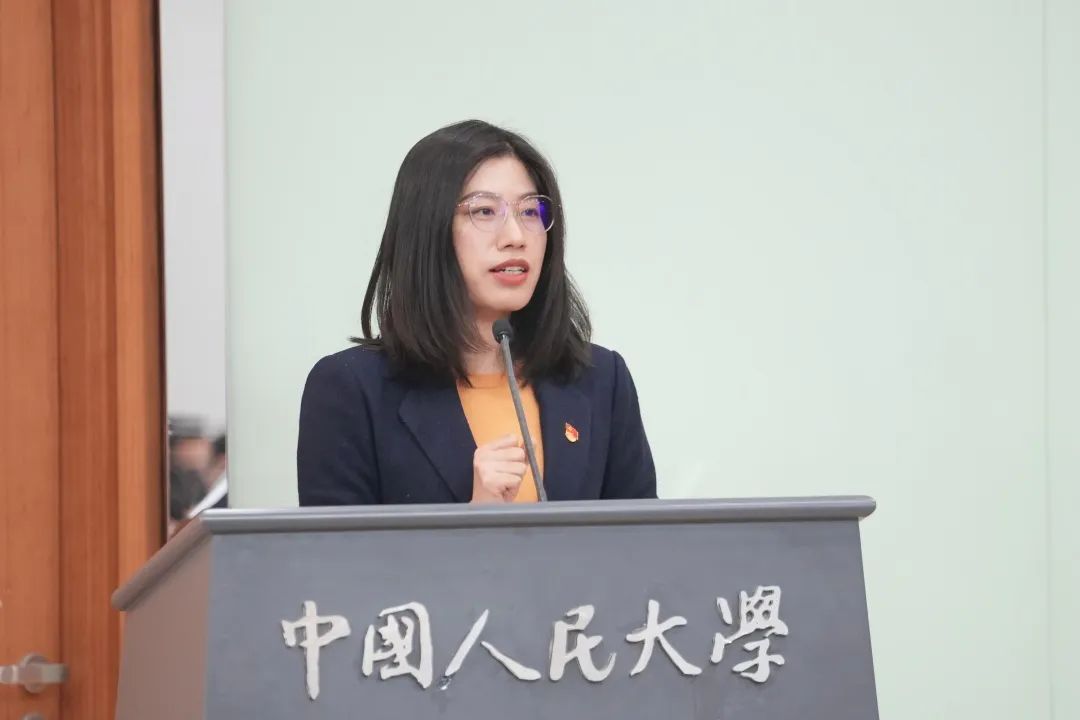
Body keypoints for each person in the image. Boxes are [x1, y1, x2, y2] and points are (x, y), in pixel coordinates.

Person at [297, 120, 655, 505]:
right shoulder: (350, 391)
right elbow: (338, 546)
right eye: (485, 211)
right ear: (428, 229)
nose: (516, 236)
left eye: (530, 211)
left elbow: (643, 539)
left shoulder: (601, 381)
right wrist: (474, 520)